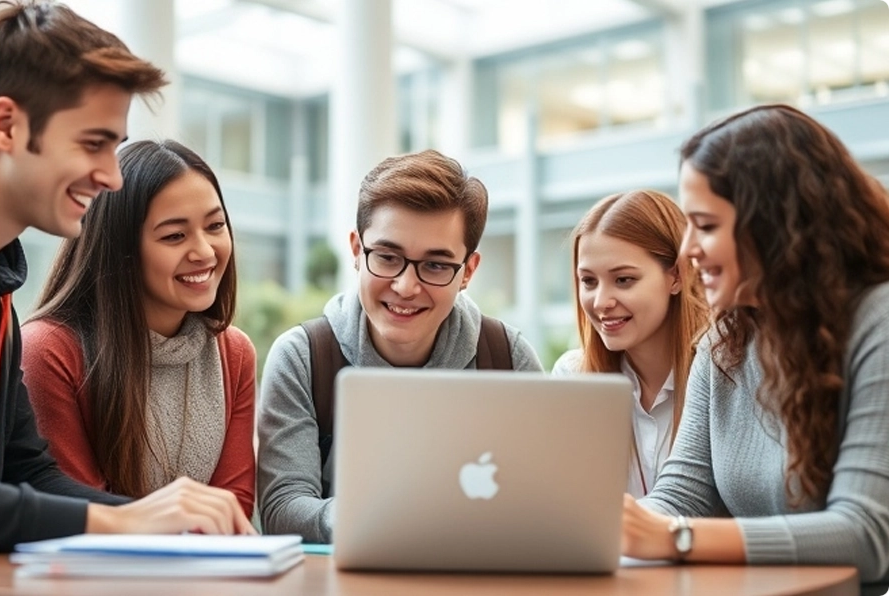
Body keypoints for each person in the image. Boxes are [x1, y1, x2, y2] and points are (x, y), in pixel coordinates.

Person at [0, 1, 251, 553]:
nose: (112, 177)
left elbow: (27, 473)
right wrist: (122, 524)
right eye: (93, 143)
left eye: (115, 148)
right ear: (6, 125)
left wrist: (174, 522)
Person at [621, 104, 889, 583]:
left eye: (704, 225)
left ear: (775, 225)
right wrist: (616, 526)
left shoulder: (878, 322)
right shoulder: (725, 339)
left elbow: (865, 534)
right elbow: (683, 495)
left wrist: (677, 537)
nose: (686, 250)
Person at [257, 149, 544, 543]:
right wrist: (405, 516)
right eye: (388, 257)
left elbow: (545, 504)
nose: (406, 287)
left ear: (468, 272)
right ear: (357, 251)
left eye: (436, 265)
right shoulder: (304, 357)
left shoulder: (507, 357)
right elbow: (283, 511)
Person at [21, 140, 255, 519]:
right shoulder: (49, 350)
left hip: (205, 574)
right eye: (174, 236)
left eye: (215, 226)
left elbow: (233, 511)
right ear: (120, 249)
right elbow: (79, 515)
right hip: (94, 574)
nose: (206, 252)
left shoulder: (234, 353)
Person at [552, 190, 708, 497]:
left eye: (623, 280)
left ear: (676, 276)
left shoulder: (722, 378)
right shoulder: (573, 377)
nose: (600, 302)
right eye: (588, 281)